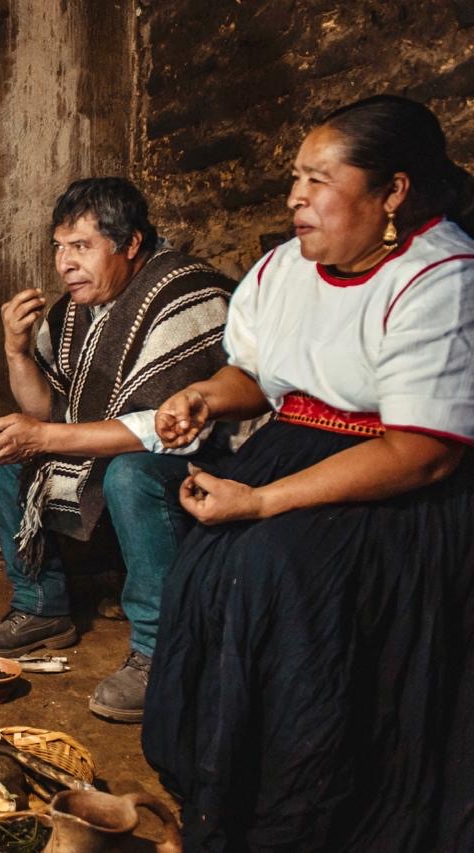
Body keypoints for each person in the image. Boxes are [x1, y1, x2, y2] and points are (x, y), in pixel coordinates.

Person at [143, 95, 474, 850]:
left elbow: (424, 451)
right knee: (205, 568)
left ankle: (303, 813)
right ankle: (222, 796)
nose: (295, 195)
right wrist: (202, 396)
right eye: (296, 176)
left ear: (391, 192)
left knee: (276, 573)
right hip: (290, 454)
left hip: (390, 485)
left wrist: (259, 502)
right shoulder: (284, 268)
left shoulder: (442, 277)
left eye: (319, 179)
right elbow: (257, 376)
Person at [0, 177, 235, 722]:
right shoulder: (73, 311)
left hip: (204, 452)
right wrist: (16, 350)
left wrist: (44, 436)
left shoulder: (186, 293)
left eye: (81, 247)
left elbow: (160, 427)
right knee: (11, 453)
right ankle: (40, 605)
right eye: (58, 247)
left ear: (130, 243)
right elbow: (43, 411)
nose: (64, 263)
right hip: (119, 439)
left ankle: (159, 650)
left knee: (130, 475)